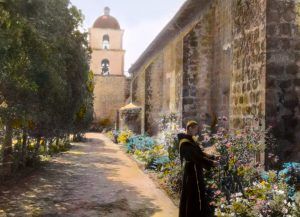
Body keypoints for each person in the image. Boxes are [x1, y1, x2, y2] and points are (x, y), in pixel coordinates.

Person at [178, 120, 218, 217]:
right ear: (190, 128)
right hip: (192, 172)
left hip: (195, 169)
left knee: (196, 193)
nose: (196, 131)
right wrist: (211, 163)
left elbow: (199, 152)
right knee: (192, 194)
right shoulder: (185, 143)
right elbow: (196, 157)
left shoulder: (191, 139)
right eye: (195, 129)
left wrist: (211, 156)